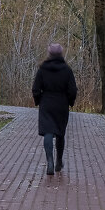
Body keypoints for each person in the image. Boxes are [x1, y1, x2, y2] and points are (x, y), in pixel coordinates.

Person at [32, 43, 77, 175]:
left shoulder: (42, 69)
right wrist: (70, 101)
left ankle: (49, 161)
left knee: (48, 132)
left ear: (49, 54)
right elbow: (72, 90)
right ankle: (59, 161)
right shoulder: (67, 70)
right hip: (61, 104)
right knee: (60, 133)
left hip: (46, 103)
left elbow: (35, 88)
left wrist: (39, 100)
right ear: (61, 54)